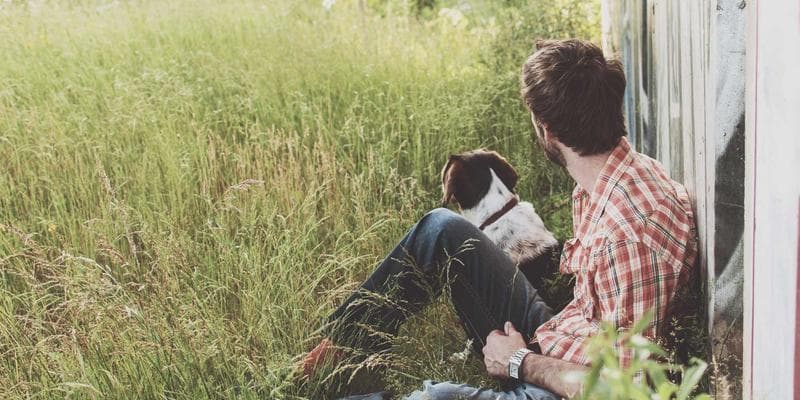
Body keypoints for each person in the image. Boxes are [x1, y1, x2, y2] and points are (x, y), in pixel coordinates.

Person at [300, 39, 697, 399]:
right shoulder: (618, 175)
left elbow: (626, 391)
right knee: (443, 228)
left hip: (572, 387)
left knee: (432, 398)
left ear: (546, 130)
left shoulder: (625, 236)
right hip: (570, 342)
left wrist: (520, 361)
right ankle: (332, 355)